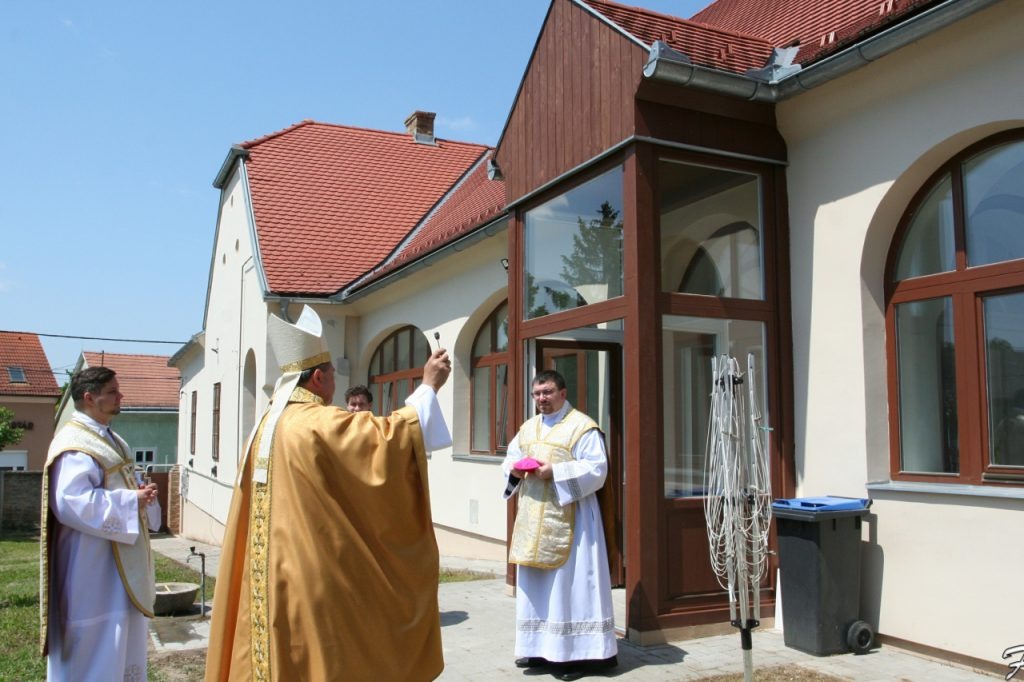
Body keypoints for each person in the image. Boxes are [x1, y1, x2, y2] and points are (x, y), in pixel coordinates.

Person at [205, 306, 452, 682]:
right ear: (318, 377)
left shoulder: (265, 425)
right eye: (333, 373)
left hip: (269, 572)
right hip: (312, 572)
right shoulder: (317, 422)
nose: (335, 381)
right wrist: (429, 386)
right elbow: (389, 440)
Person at [40, 366, 161, 681]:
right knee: (95, 638)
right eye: (112, 392)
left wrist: (142, 493)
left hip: (118, 561)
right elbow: (70, 501)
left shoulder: (112, 439)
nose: (121, 396)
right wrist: (129, 501)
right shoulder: (75, 443)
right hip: (89, 564)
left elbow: (121, 483)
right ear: (90, 398)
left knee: (121, 633)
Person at [502, 370, 618, 681]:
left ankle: (577, 654)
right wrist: (515, 469)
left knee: (570, 587)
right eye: (537, 394)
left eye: (548, 392)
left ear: (563, 394)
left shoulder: (583, 427)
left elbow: (597, 469)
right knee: (536, 587)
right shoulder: (528, 428)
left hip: (574, 520)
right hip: (533, 519)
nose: (541, 398)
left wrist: (555, 471)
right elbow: (510, 458)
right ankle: (538, 648)